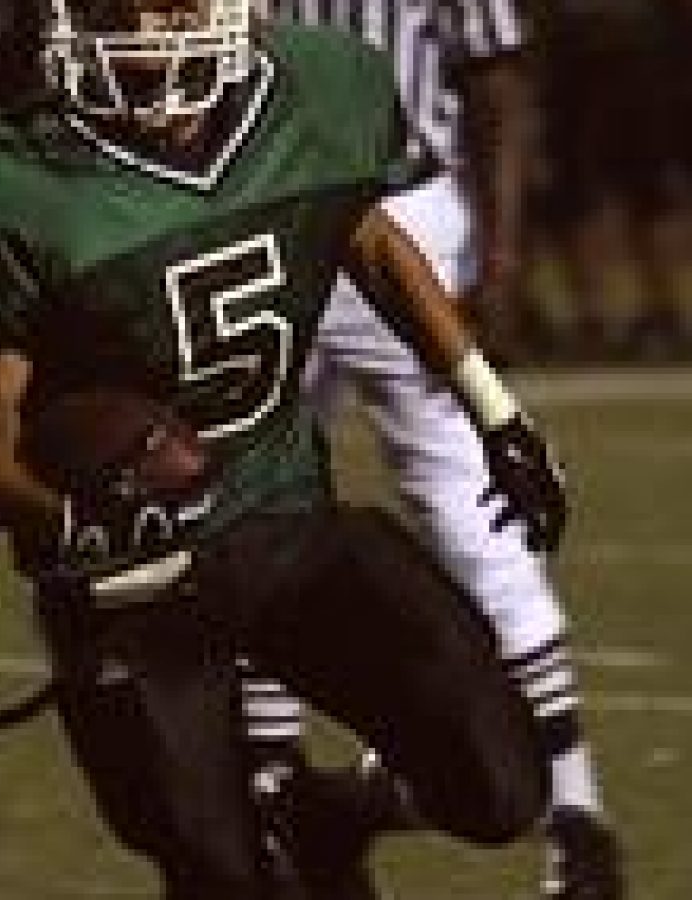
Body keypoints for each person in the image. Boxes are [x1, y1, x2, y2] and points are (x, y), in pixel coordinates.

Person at [0, 2, 562, 896]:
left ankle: (330, 814)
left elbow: (366, 236)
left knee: (502, 783)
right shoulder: (8, 181)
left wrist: (493, 409)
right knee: (217, 875)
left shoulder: (321, 91)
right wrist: (69, 522)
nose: (140, 24)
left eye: (168, 2)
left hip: (287, 523)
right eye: (113, 5)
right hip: (135, 587)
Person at [250, 2, 622, 897]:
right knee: (279, 501)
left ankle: (275, 800)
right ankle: (574, 817)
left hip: (331, 212)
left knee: (262, 501)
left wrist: (502, 247)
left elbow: (498, 75)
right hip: (335, 210)